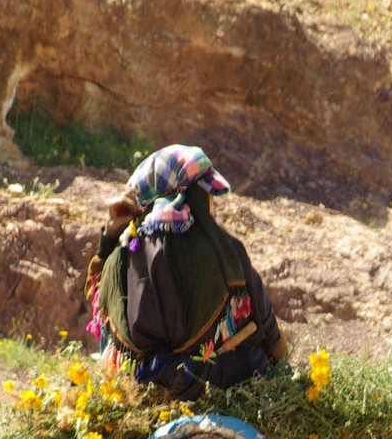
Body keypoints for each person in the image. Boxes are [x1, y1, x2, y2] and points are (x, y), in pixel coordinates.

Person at [85, 144, 288, 399]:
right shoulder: (226, 252)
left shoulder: (119, 259)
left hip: (146, 391)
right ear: (195, 197)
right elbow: (268, 331)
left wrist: (108, 240)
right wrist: (288, 378)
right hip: (226, 390)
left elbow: (96, 298)